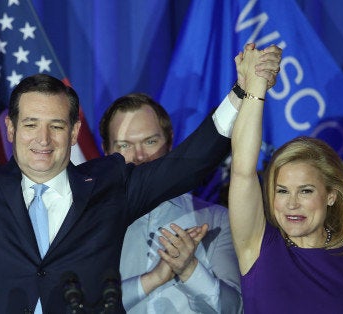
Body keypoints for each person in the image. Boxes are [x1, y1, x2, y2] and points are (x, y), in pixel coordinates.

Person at [0, 6, 283, 311]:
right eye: (31, 124)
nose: (43, 139)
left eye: (56, 126)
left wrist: (243, 91)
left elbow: (190, 163)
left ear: (73, 133)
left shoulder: (110, 184)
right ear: (11, 130)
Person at [229, 46, 343, 313]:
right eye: (282, 191)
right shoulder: (259, 246)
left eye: (305, 191)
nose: (291, 204)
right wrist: (256, 86)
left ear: (331, 194)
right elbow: (242, 169)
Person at [99, 93, 241, 312]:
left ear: (170, 142)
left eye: (150, 141)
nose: (140, 157)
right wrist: (153, 279)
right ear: (106, 151)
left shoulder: (215, 219)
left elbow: (234, 309)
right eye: (124, 146)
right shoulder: (89, 222)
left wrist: (190, 270)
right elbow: (82, 305)